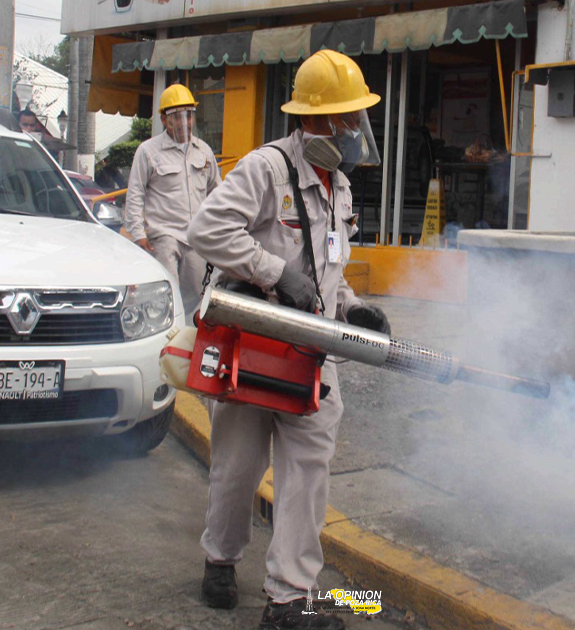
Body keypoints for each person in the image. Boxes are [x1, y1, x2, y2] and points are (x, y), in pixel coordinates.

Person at [186, 50, 390, 630]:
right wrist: (274, 272)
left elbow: (329, 271)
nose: (356, 131)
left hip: (312, 357)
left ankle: (287, 599)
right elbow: (206, 230)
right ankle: (219, 562)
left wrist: (354, 307)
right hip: (255, 349)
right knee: (238, 466)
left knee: (306, 472)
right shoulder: (265, 170)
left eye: (359, 120)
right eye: (349, 119)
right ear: (317, 120)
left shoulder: (340, 187)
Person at [123, 84, 221, 314]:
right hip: (164, 236)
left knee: (199, 298)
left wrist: (219, 230)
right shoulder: (148, 151)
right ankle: (165, 342)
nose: (183, 122)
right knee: (167, 296)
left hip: (196, 237)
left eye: (188, 115)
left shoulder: (203, 151)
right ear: (164, 120)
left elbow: (217, 193)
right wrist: (138, 235)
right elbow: (135, 194)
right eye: (176, 117)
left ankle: (189, 340)